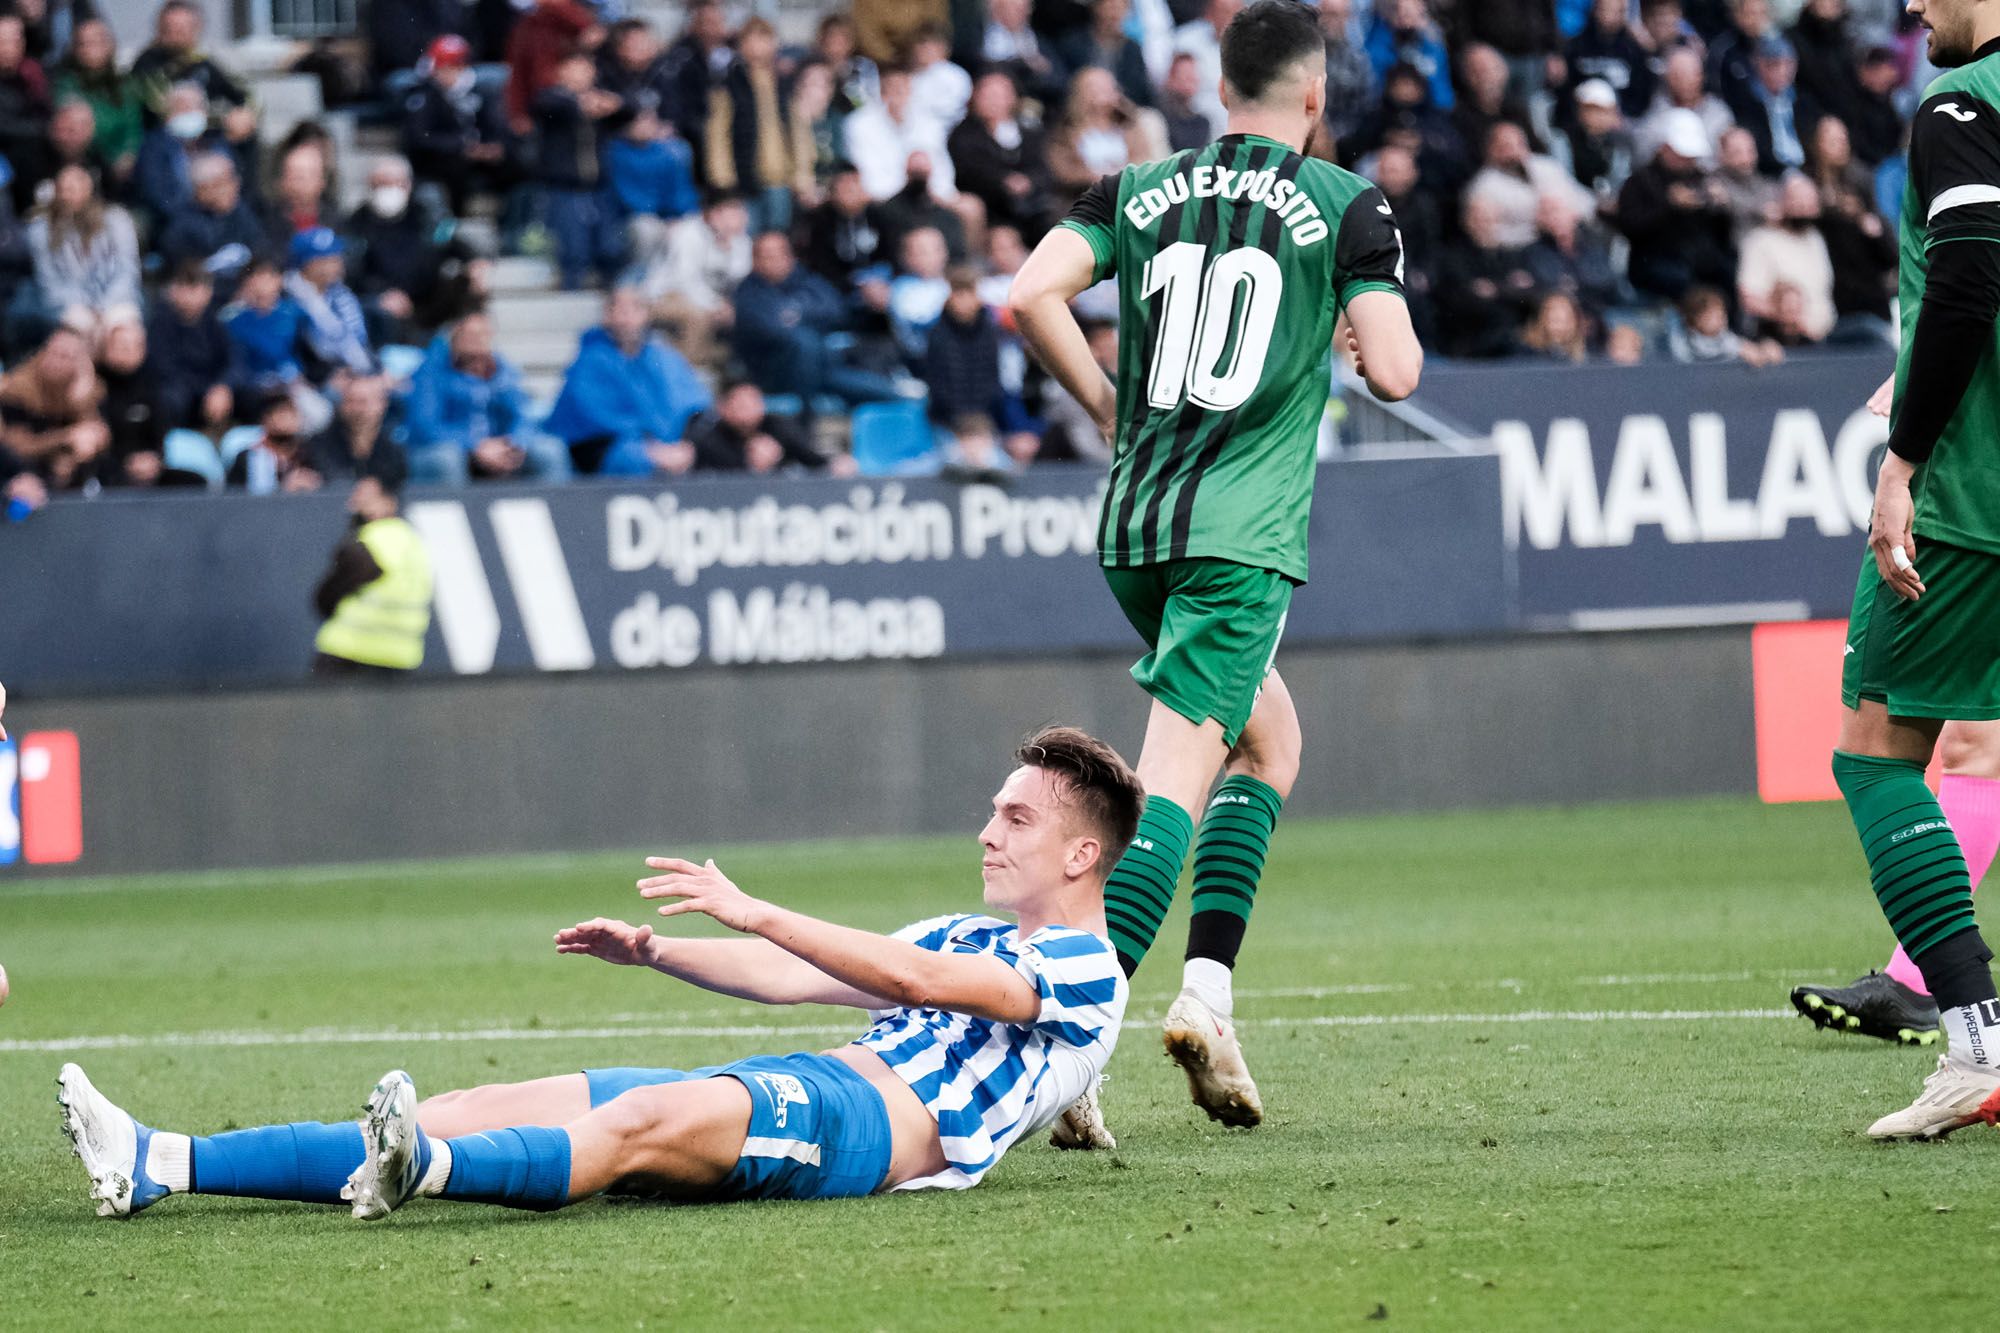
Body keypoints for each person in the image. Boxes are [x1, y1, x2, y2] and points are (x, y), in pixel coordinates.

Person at [59, 726, 1135, 1217]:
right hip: (820, 1075)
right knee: (474, 1101)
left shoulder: (1088, 967)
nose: (987, 828)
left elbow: (909, 983)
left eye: (1015, 816)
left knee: (632, 1131)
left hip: (864, 1135)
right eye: (994, 808)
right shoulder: (964, 928)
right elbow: (791, 976)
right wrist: (660, 950)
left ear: (1080, 853)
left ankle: (420, 1173)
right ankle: (160, 1159)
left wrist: (757, 901)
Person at [1009, 0, 1420, 1141]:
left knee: (1268, 745)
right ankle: (1071, 1056)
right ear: (1314, 96)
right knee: (1170, 792)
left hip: (1135, 528)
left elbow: (1029, 294)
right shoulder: (1344, 206)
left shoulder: (1137, 190)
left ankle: (1210, 996)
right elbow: (1394, 372)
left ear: (1216, 89)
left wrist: (1102, 405)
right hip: (1237, 543)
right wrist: (1358, 314)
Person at [1816, 0, 2000, 1140]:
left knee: (1875, 754)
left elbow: (1966, 287)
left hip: (1972, 500)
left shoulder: (1957, 106)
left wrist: (1903, 463)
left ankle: (1974, 1042)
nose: (1912, 8)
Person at [543, 286, 710, 477]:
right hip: (608, 449)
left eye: (635, 309)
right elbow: (590, 418)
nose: (627, 318)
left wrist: (683, 446)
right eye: (620, 310)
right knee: (632, 460)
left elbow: (693, 406)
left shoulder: (665, 359)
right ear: (607, 315)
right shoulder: (590, 361)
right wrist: (649, 450)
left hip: (672, 447)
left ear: (646, 314)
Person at [733, 230, 908, 408]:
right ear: (755, 261)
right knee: (805, 343)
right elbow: (774, 331)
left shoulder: (805, 279)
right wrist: (807, 319)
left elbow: (836, 309)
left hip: (823, 366)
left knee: (867, 364)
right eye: (768, 256)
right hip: (775, 373)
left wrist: (798, 313)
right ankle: (806, 415)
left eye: (782, 253)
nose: (777, 260)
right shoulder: (748, 294)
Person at [405, 312, 569, 484]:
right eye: (470, 335)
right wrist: (475, 446)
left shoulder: (502, 371)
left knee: (549, 450)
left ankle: (560, 509)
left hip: (498, 447)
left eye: (483, 334)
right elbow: (425, 426)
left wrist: (514, 443)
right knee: (446, 460)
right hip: (454, 450)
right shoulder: (431, 373)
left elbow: (522, 413)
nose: (477, 341)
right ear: (455, 338)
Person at [305, 476, 433, 678]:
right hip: (401, 654)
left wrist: (324, 600)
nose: (356, 504)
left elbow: (337, 586)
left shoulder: (376, 537)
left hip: (350, 650)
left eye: (365, 497)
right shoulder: (411, 539)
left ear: (389, 503)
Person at [400, 34, 514, 216]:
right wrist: (461, 147)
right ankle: (456, 220)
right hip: (441, 159)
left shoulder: (481, 92)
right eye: (445, 67)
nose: (451, 73)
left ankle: (512, 217)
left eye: (456, 66)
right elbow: (419, 138)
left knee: (512, 163)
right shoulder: (424, 96)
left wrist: (492, 147)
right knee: (455, 168)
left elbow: (495, 126)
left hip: (477, 156)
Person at [25, 161, 139, 336]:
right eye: (63, 189)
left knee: (123, 334)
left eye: (74, 188)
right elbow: (49, 281)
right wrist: (85, 308)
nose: (67, 196)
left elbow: (127, 269)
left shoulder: (117, 220)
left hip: (115, 299)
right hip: (67, 303)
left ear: (89, 188)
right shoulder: (40, 230)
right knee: (79, 328)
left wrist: (104, 305)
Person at [687, 380, 853, 475]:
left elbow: (809, 456)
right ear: (724, 408)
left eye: (755, 402)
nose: (750, 410)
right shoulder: (710, 434)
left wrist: (834, 464)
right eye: (742, 404)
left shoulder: (778, 426)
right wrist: (752, 467)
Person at [52, 19, 141, 191]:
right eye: (84, 44)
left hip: (120, 167)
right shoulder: (65, 83)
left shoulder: (124, 85)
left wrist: (128, 154)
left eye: (97, 42)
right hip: (83, 161)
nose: (90, 49)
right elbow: (72, 127)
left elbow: (133, 126)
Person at [146, 259, 231, 432]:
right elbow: (164, 369)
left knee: (245, 393)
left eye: (196, 287)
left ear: (208, 291)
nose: (190, 295)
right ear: (172, 290)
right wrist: (206, 389)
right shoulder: (159, 322)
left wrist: (222, 385)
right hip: (179, 389)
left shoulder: (214, 321)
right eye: (184, 287)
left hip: (210, 388)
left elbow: (232, 359)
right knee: (171, 398)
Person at [224, 389, 321, 494]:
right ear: (266, 419)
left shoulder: (309, 454)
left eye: (292, 410)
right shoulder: (248, 458)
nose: (289, 417)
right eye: (281, 411)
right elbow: (233, 497)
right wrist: (283, 489)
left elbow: (333, 481)